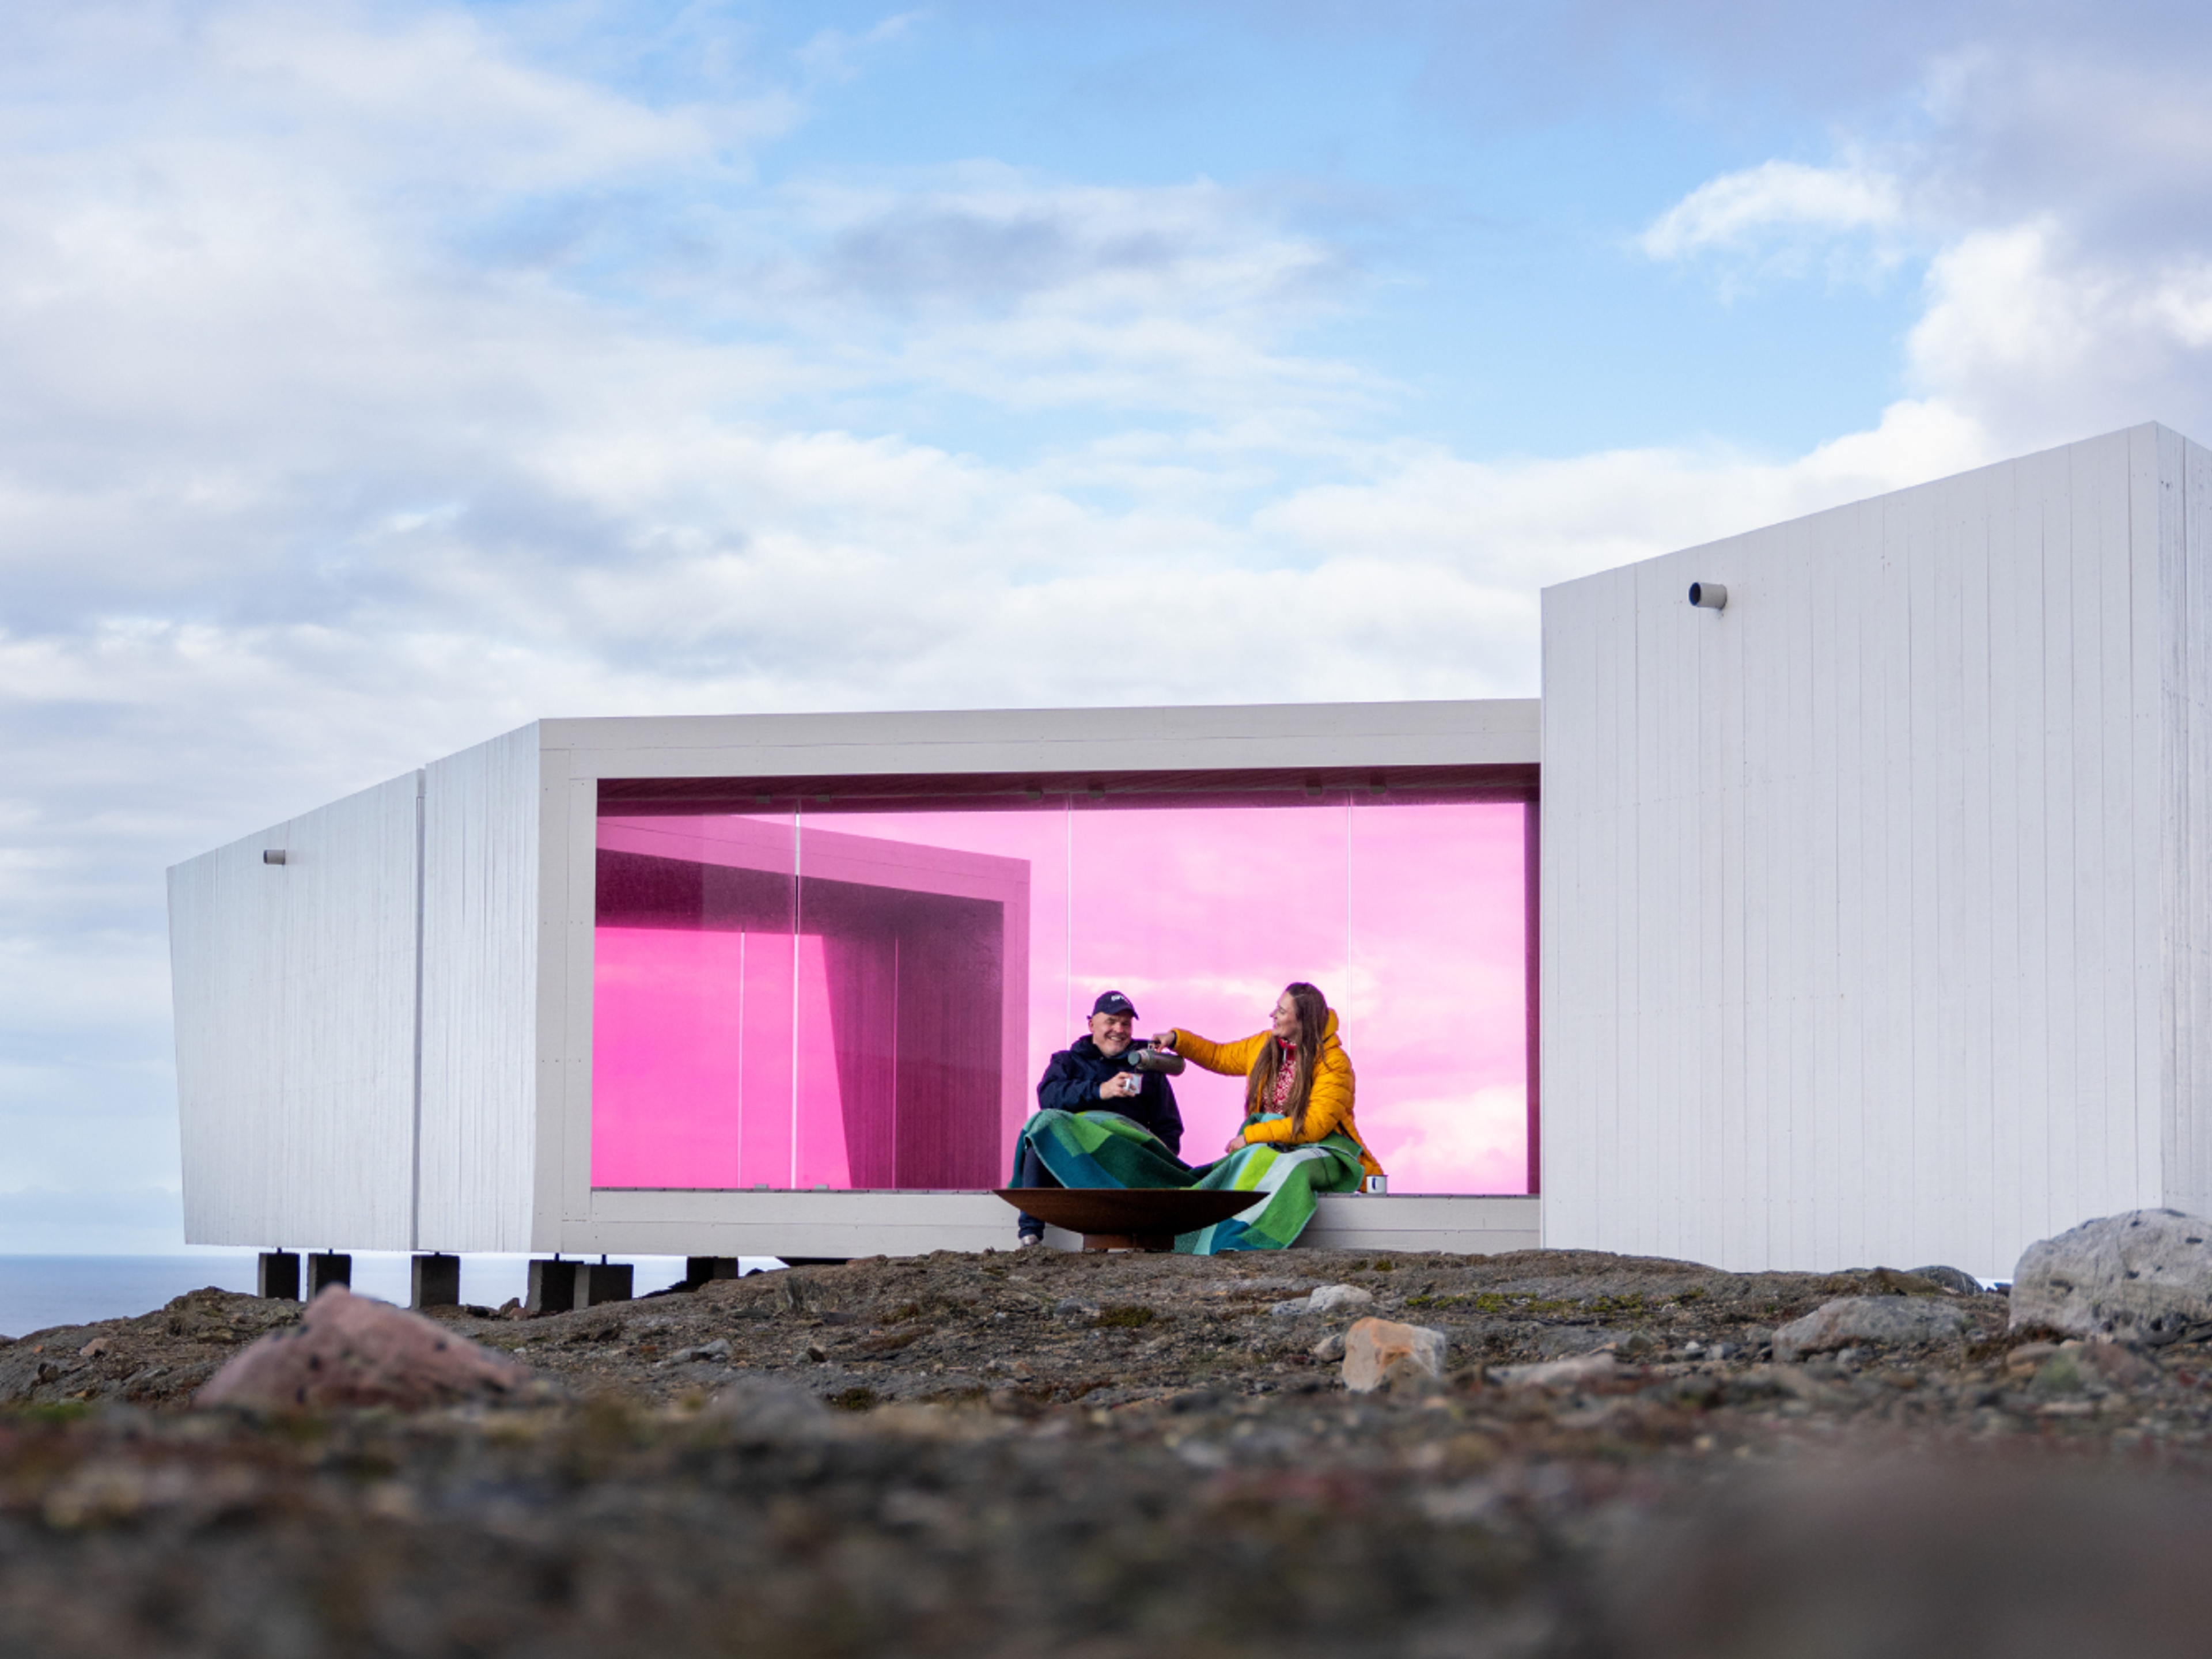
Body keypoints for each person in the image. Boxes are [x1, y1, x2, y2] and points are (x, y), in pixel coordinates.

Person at [1154, 981, 1384, 1178]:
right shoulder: (1263, 1044)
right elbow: (1218, 1056)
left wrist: (1251, 1137)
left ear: (1303, 1021)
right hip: (1273, 1149)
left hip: (1326, 1153)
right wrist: (1176, 1040)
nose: (1273, 1015)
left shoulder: (1333, 1062)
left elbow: (1312, 1127)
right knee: (1236, 1171)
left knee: (1284, 1168)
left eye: (1282, 1012)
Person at [1014, 990, 1185, 1245]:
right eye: (1111, 1021)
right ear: (1091, 1024)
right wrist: (1100, 1090)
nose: (1119, 1029)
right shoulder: (1067, 1061)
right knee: (1043, 1125)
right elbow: (1048, 1097)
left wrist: (1160, 1159)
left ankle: (1154, 1236)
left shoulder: (1148, 1067)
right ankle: (1030, 1234)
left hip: (1126, 1162)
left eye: (1126, 1023)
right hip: (1078, 1161)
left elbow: (1169, 1126)